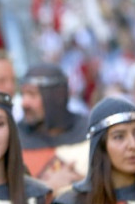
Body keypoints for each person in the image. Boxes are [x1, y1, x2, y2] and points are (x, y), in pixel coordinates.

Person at [17, 64, 90, 194]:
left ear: (57, 96)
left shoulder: (91, 133)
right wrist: (48, 187)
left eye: (32, 95)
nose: (24, 103)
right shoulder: (14, 140)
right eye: (23, 94)